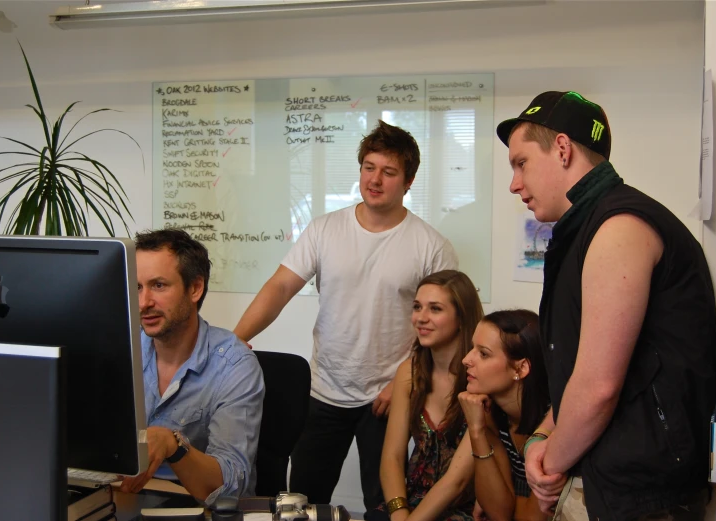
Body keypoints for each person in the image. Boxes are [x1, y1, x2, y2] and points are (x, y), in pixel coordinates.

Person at [496, 91, 716, 521]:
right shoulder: (583, 230)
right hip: (614, 485)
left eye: (521, 163)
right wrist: (543, 436)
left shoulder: (619, 227)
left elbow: (598, 388)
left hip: (641, 497)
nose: (514, 183)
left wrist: (548, 465)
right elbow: (577, 375)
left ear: (561, 148)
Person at [234, 120, 459, 510]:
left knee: (383, 502)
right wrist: (235, 339)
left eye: (389, 172)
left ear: (408, 182)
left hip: (388, 395)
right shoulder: (325, 229)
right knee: (302, 500)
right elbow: (281, 287)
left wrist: (403, 383)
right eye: (368, 167)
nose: (375, 179)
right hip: (323, 390)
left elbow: (443, 327)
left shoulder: (431, 246)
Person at [119, 228, 265, 504]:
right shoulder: (123, 348)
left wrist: (172, 445)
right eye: (137, 287)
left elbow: (233, 484)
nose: (143, 303)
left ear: (195, 288)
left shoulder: (234, 365)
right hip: (123, 498)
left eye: (159, 286)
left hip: (193, 506)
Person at [374, 269, 497, 521]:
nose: (421, 318)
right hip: (411, 502)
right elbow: (392, 457)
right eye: (417, 307)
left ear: (461, 317)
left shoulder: (480, 378)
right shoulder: (410, 371)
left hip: (464, 508)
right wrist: (399, 513)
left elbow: (457, 481)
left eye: (435, 309)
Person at [458, 309, 550, 521]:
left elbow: (529, 518)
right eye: (473, 348)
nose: (466, 359)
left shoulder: (551, 424)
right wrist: (477, 430)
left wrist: (508, 502)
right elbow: (498, 512)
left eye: (483, 353)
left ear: (521, 368)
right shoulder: (492, 413)